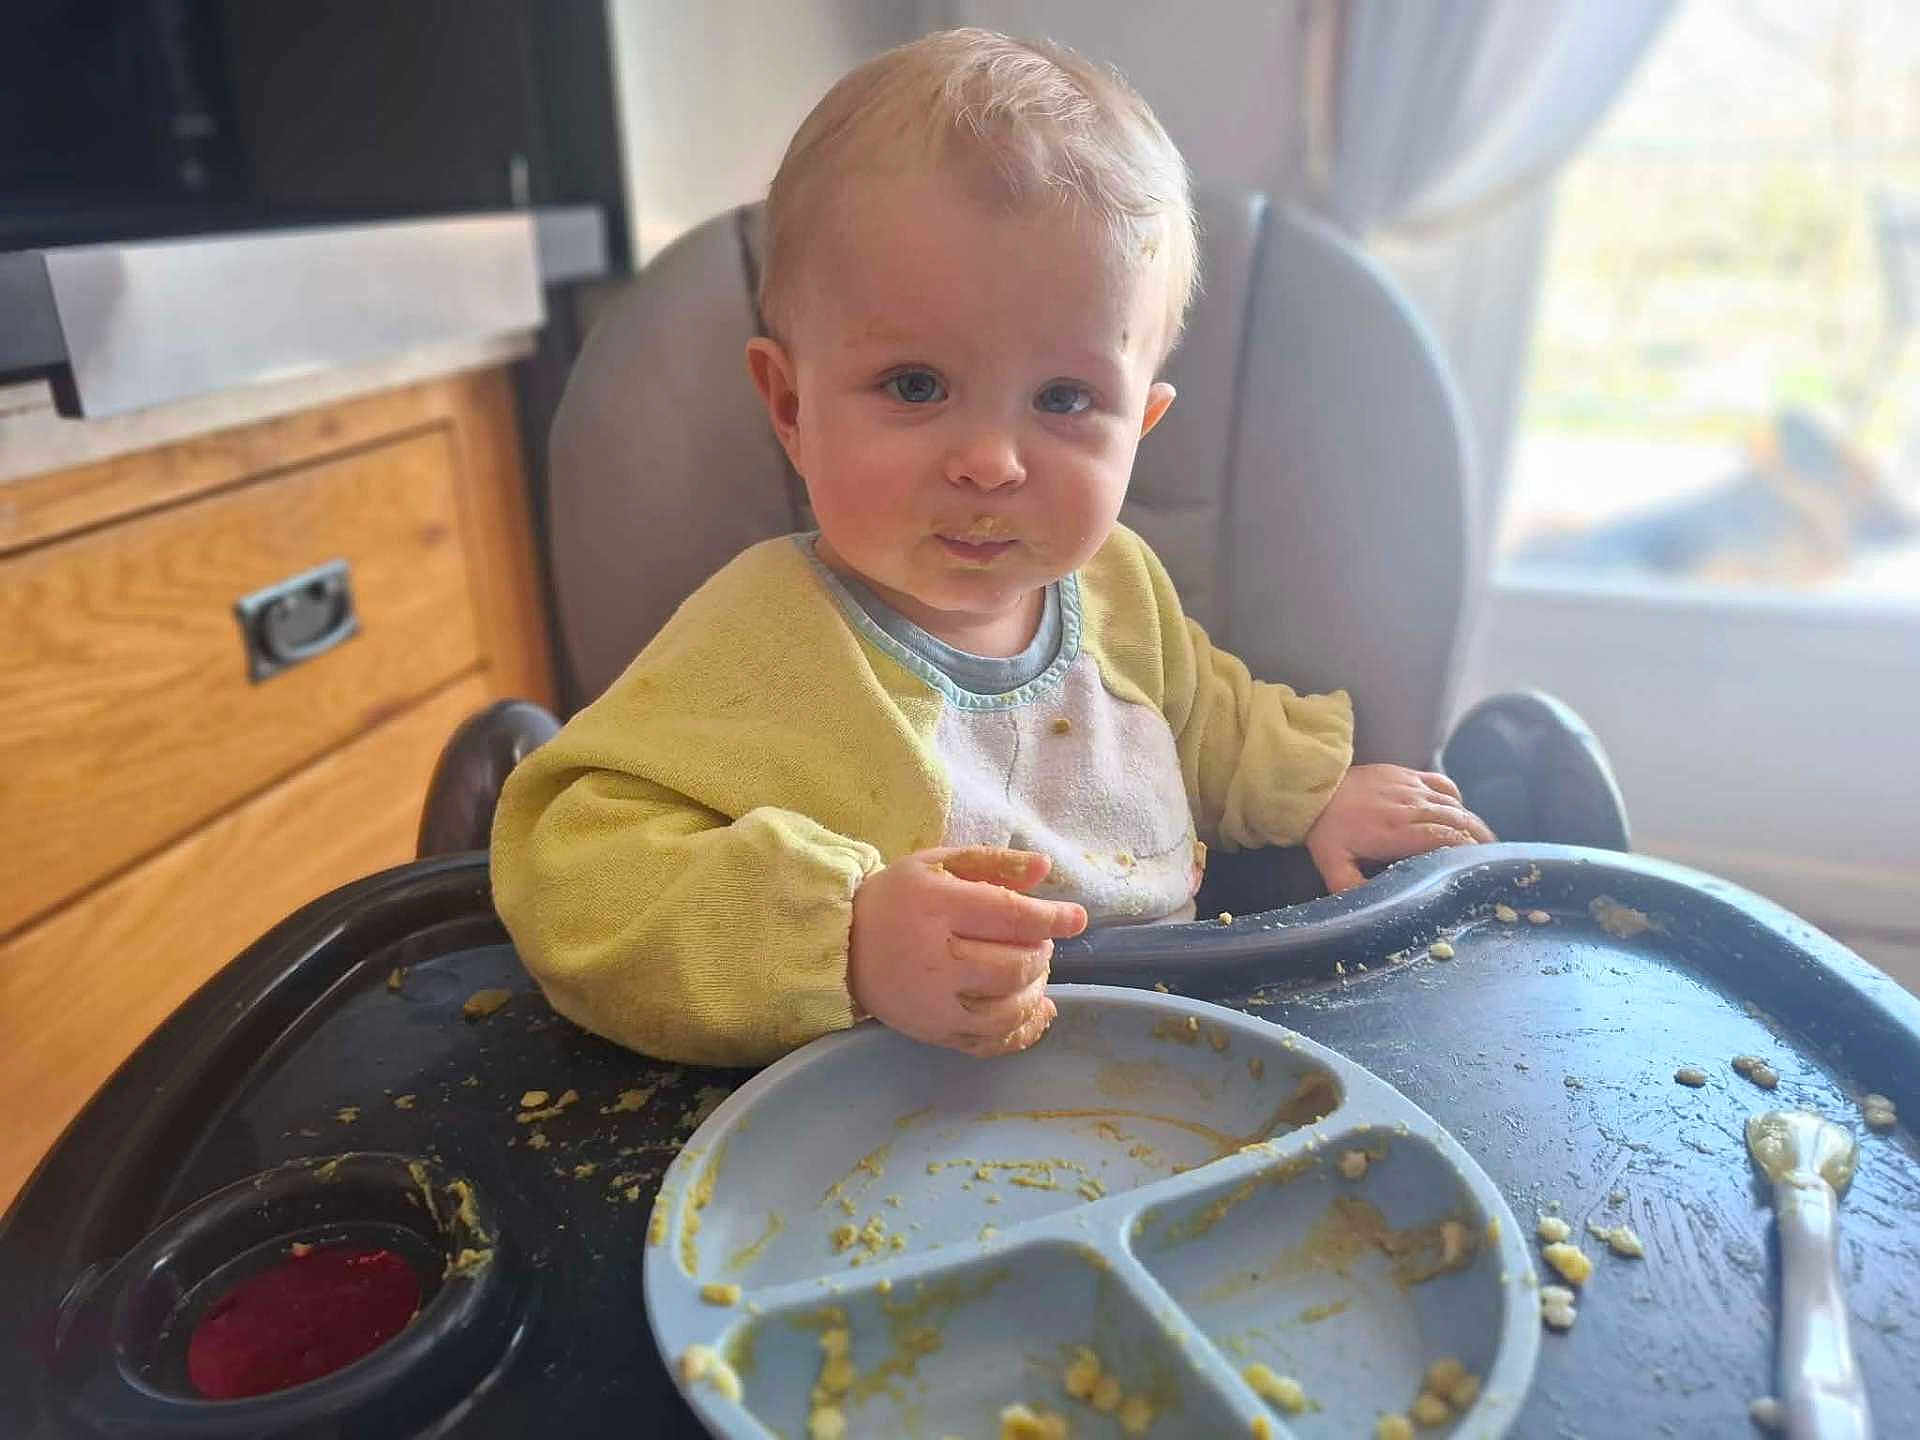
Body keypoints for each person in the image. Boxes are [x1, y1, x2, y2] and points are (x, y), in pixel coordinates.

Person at [491, 28, 1493, 1070]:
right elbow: (574, 871)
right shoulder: (761, 639)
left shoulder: (1116, 588)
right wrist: (845, 940)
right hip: (880, 1105)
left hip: (1171, 1050)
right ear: (791, 407)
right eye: (915, 385)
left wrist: (1312, 793)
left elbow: (1203, 720)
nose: (989, 461)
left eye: (1065, 400)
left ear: (1137, 428)